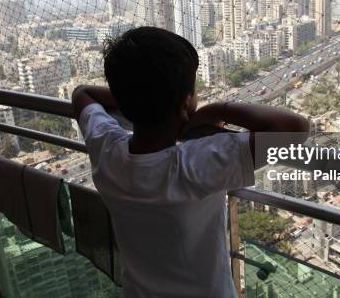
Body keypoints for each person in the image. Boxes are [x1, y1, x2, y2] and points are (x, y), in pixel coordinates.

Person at [72, 27, 309, 298]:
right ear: (185, 104)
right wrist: (217, 109)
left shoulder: (106, 150)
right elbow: (294, 128)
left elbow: (82, 94)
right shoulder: (196, 164)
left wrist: (137, 99)